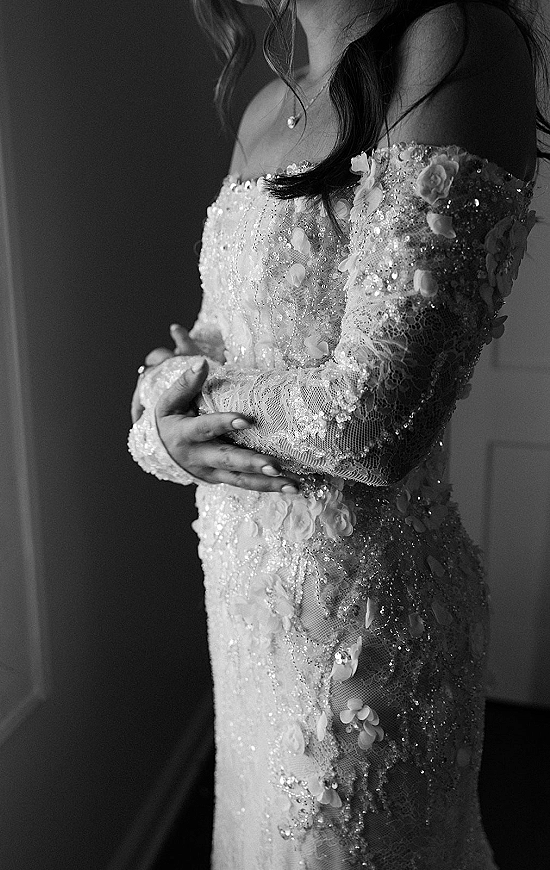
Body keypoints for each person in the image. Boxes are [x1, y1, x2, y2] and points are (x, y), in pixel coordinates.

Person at [129, 1, 546, 867]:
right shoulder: (264, 106)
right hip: (246, 615)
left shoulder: (452, 41)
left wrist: (178, 400)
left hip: (362, 640)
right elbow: (206, 345)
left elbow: (374, 419)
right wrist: (161, 422)